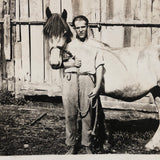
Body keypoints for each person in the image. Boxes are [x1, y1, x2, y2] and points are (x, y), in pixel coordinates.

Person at [62, 15, 105, 154]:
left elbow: (99, 67)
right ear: (74, 29)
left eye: (83, 27)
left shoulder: (96, 45)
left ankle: (87, 145)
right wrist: (72, 63)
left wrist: (97, 87)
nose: (80, 30)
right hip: (70, 79)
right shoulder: (69, 45)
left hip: (87, 80)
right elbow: (58, 63)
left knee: (87, 115)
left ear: (87, 27)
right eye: (78, 27)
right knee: (70, 115)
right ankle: (71, 144)